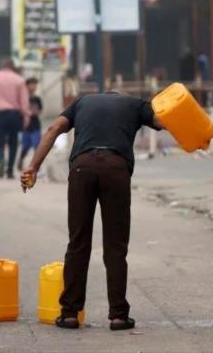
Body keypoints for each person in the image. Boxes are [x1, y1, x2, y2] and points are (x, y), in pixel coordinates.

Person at [20, 92, 163, 331]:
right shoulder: (137, 105)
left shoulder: (81, 102)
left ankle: (69, 314)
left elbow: (54, 128)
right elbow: (164, 121)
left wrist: (33, 167)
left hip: (82, 168)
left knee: (78, 243)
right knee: (115, 246)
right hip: (116, 169)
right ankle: (118, 316)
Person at [0, 60, 30, 179]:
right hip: (15, 115)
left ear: (2, 66)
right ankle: (9, 170)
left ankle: (1, 160)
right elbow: (24, 102)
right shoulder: (19, 80)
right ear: (13, 67)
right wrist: (26, 116)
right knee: (13, 142)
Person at [17, 77, 43, 172]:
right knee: (26, 146)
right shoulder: (23, 99)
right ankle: (21, 160)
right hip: (26, 125)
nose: (34, 87)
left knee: (37, 145)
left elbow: (40, 110)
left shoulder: (37, 99)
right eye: (32, 84)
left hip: (35, 124)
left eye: (35, 85)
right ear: (27, 86)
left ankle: (36, 165)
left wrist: (35, 111)